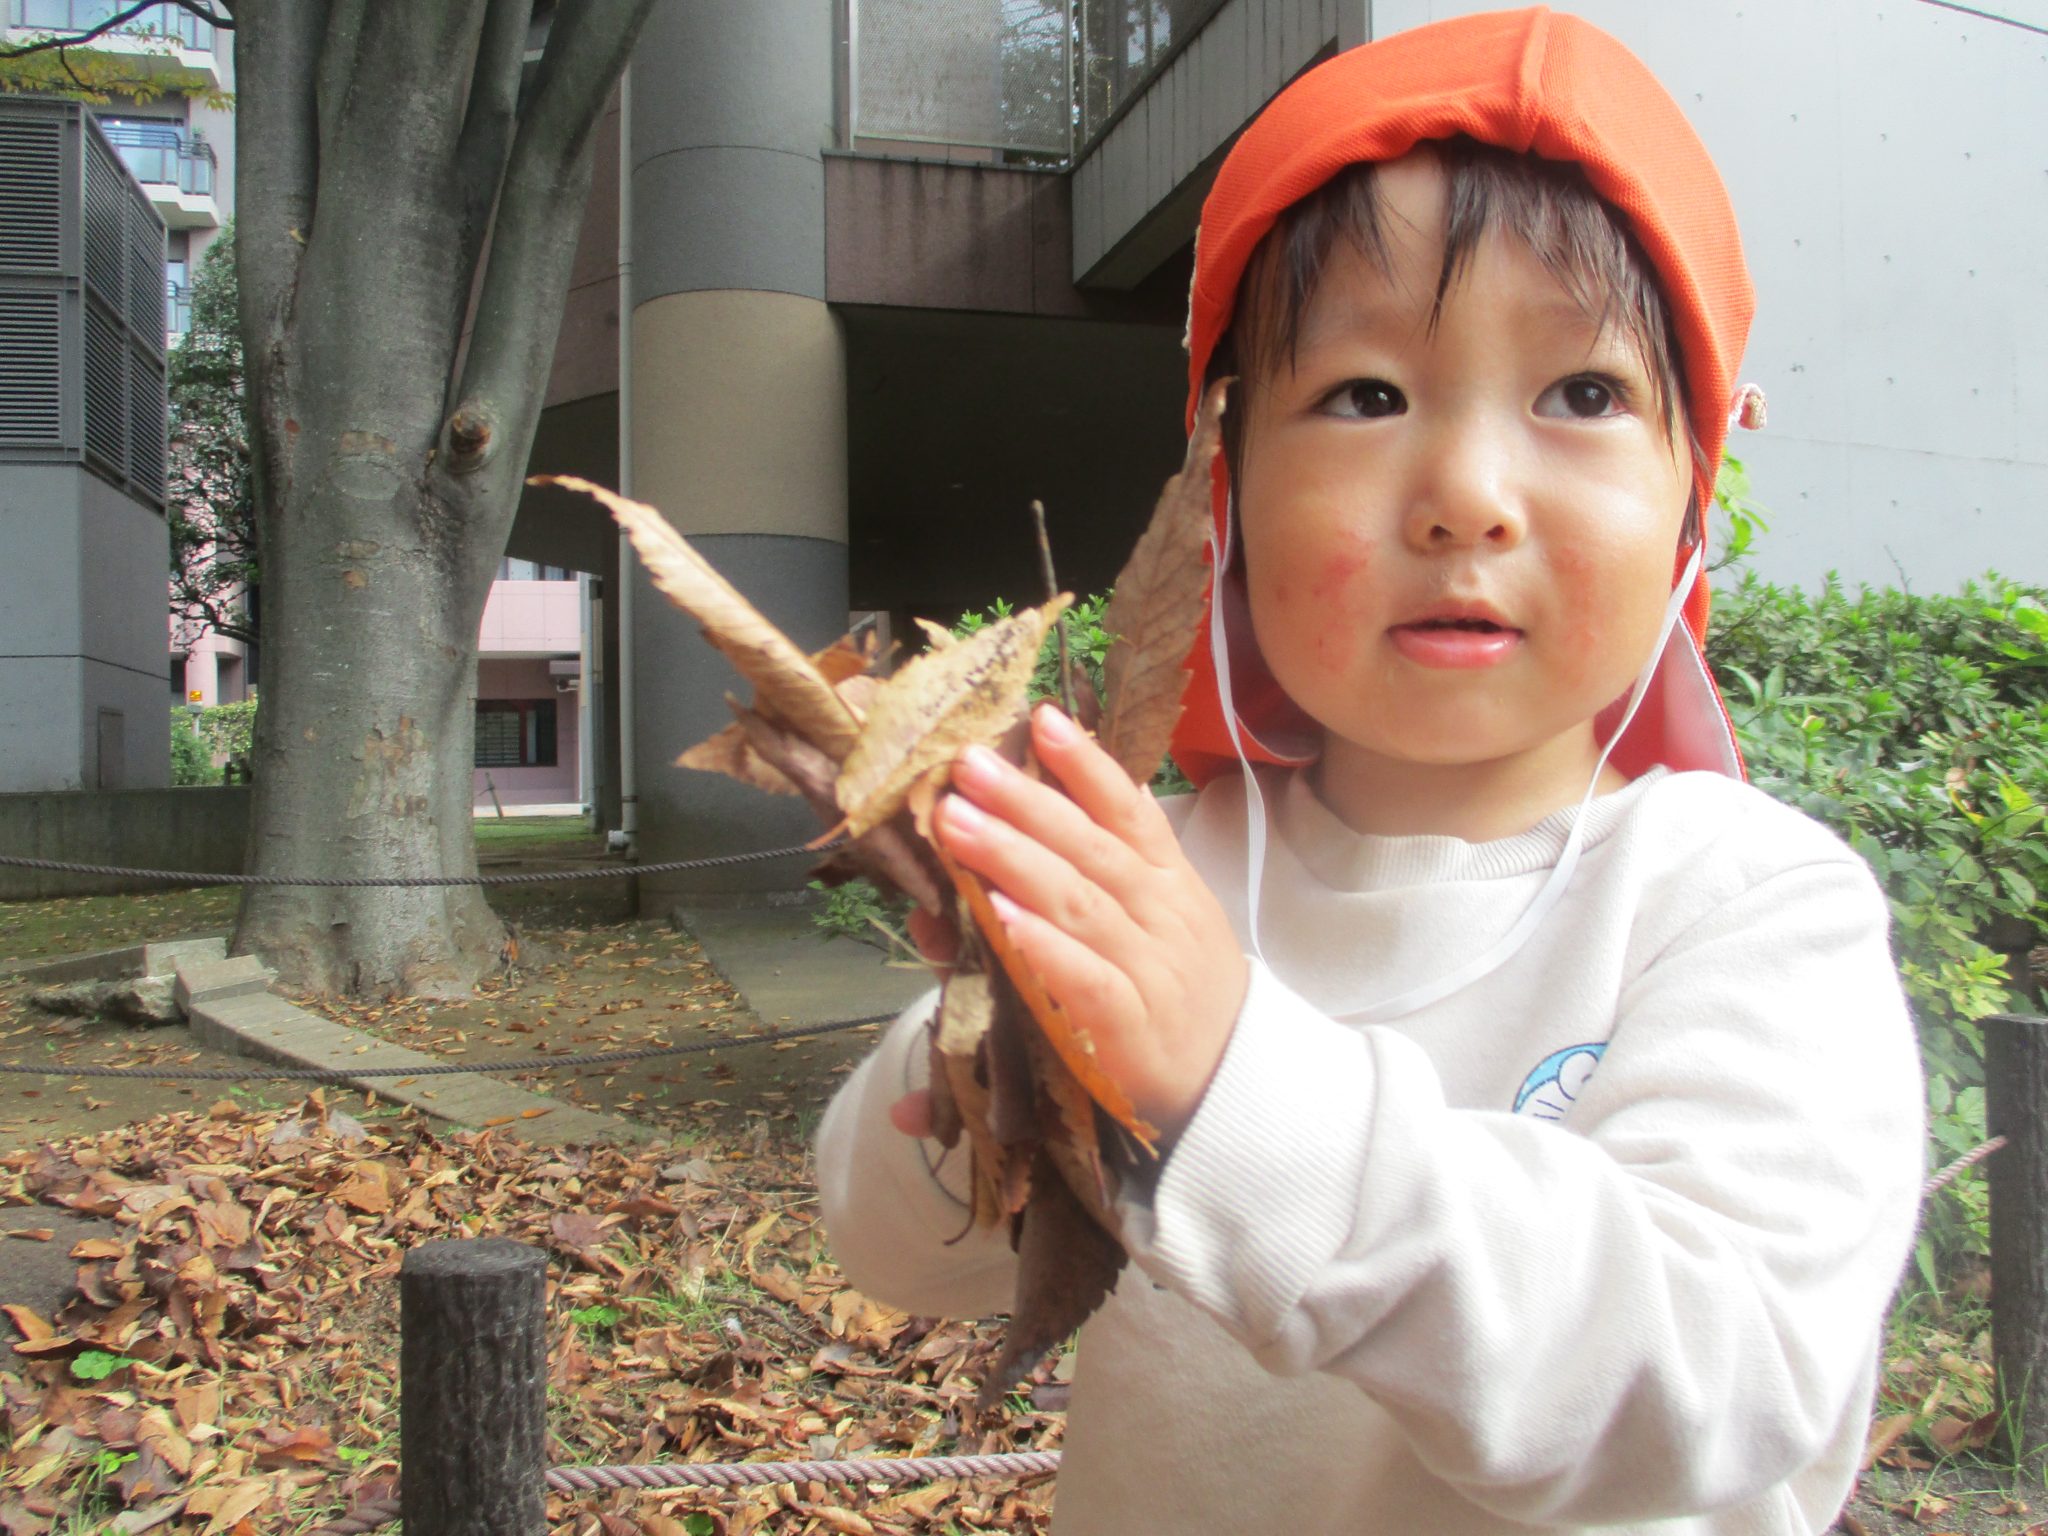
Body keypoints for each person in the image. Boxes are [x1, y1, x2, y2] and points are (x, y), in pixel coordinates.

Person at [816, 10, 1924, 1533]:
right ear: (1227, 491)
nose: (1466, 495)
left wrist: (1231, 1085)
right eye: (1365, 395)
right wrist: (977, 1046)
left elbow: (1721, 1392)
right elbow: (894, 1251)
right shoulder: (1164, 870)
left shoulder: (1744, 905)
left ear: (1692, 492)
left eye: (1583, 394)